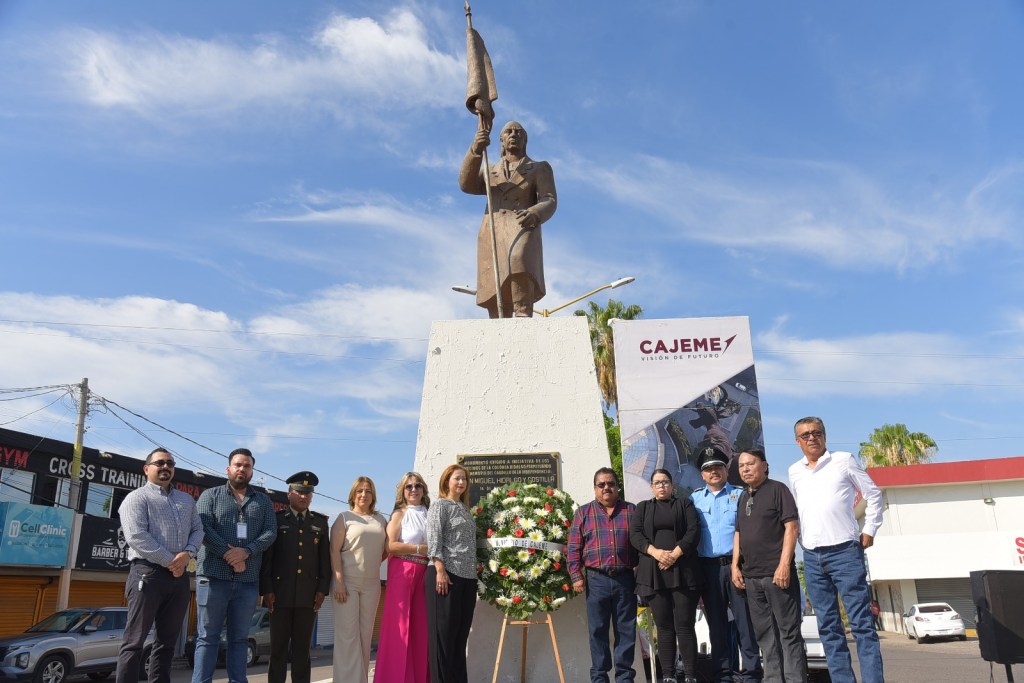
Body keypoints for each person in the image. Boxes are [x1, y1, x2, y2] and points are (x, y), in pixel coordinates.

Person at [788, 417, 885, 683]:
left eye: (816, 433)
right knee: (828, 628)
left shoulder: (844, 460)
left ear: (824, 436)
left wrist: (870, 529)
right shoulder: (794, 471)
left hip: (845, 552)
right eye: (805, 435)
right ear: (798, 442)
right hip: (812, 556)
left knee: (862, 625)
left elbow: (873, 494)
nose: (811, 438)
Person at [116, 447, 203, 683]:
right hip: (148, 574)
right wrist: (171, 561)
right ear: (147, 469)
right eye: (160, 463)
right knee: (134, 643)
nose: (166, 467)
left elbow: (198, 530)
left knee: (166, 643)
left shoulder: (186, 500)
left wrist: (188, 554)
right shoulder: (136, 498)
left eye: (170, 463)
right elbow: (136, 536)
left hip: (179, 578)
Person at [193, 448, 277, 683]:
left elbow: (270, 532)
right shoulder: (210, 495)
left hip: (248, 581)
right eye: (238, 465)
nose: (242, 469)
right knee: (207, 638)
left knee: (240, 639)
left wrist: (247, 552)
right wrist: (230, 554)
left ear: (252, 471)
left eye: (247, 466)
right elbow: (202, 528)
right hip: (213, 577)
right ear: (229, 468)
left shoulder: (262, 501)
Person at [459, 120, 557, 318]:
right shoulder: (490, 169)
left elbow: (549, 199)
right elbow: (466, 184)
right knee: (494, 280)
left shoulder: (538, 168)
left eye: (518, 132)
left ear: (525, 140)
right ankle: (498, 322)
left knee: (518, 261)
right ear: (501, 140)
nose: (514, 135)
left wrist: (535, 213)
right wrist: (475, 150)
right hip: (493, 231)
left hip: (523, 225)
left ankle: (522, 313)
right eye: (509, 132)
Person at [732, 449, 806, 683]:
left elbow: (791, 527)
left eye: (750, 464)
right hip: (752, 579)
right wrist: (735, 565)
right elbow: (738, 533)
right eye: (741, 465)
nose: (745, 469)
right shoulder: (743, 497)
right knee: (765, 636)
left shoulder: (778, 490)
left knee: (788, 634)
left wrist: (784, 565)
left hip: (778, 576)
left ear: (764, 465)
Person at [691, 447, 763, 683]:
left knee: (745, 621)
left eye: (718, 467)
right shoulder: (694, 499)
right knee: (717, 625)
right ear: (702, 475)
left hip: (737, 566)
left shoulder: (741, 495)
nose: (714, 472)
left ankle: (752, 672)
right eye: (708, 469)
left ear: (726, 470)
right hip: (708, 569)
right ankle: (723, 673)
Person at [630, 468, 703, 683]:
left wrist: (675, 554)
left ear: (672, 485)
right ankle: (668, 675)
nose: (661, 486)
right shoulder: (643, 508)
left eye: (665, 482)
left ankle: (690, 676)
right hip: (654, 574)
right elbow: (635, 535)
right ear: (652, 487)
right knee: (664, 628)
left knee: (685, 626)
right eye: (657, 482)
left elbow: (693, 531)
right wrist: (656, 553)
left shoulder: (685, 504)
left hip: (684, 572)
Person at [567, 467, 639, 683]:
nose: (606, 487)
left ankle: (625, 678)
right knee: (597, 631)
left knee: (626, 631)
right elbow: (573, 548)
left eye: (610, 483)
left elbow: (642, 544)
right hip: (596, 580)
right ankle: (599, 678)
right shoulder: (583, 513)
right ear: (595, 488)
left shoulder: (632, 511)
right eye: (602, 484)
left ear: (617, 486)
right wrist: (576, 576)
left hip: (625, 579)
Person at [260, 472, 330, 683]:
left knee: (302, 652)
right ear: (289, 494)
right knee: (278, 651)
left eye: (308, 493)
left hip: (308, 597)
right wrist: (267, 590)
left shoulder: (319, 522)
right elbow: (267, 559)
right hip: (279, 596)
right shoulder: (276, 519)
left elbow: (324, 561)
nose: (304, 496)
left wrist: (322, 590)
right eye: (299, 492)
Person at [331, 476, 388, 683]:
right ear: (353, 494)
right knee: (348, 637)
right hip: (347, 583)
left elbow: (385, 551)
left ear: (373, 495)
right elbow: (334, 551)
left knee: (364, 638)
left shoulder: (381, 520)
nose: (364, 494)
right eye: (360, 491)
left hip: (372, 584)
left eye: (368, 491)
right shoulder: (344, 518)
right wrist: (339, 580)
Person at [376, 472, 431, 683]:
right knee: (400, 628)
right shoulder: (400, 514)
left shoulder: (429, 513)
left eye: (418, 485)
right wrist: (420, 548)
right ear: (403, 491)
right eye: (409, 486)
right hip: (403, 570)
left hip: (425, 572)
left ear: (423, 489)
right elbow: (390, 546)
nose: (414, 489)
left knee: (421, 629)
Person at [425, 464, 478, 683]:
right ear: (447, 480)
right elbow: (434, 541)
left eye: (464, 479)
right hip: (446, 576)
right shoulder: (440, 506)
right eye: (457, 478)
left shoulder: (465, 509)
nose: (461, 483)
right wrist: (440, 570)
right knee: (444, 641)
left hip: (467, 578)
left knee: (458, 639)